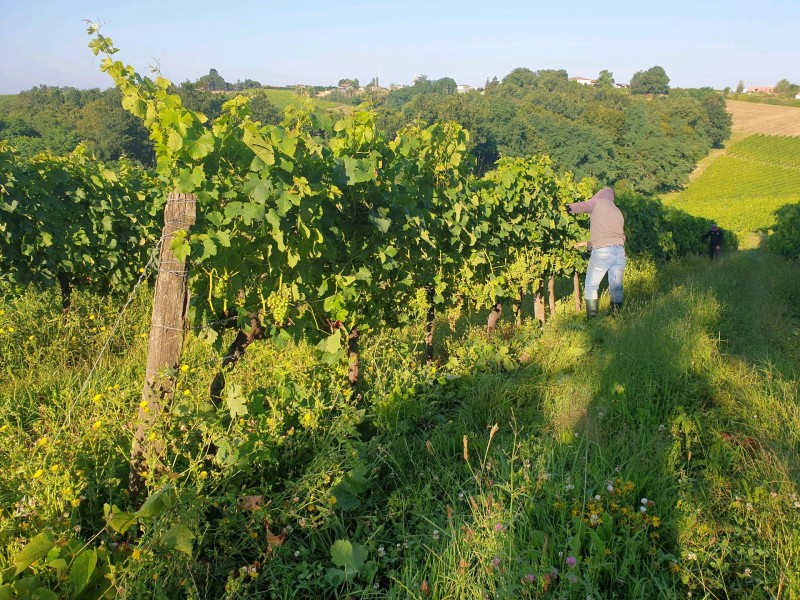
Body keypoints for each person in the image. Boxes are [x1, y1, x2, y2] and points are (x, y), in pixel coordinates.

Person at [567, 187, 626, 317]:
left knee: (591, 286)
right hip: (620, 251)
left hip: (603, 251)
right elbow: (608, 235)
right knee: (616, 287)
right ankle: (615, 316)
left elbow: (583, 205)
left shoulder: (598, 202)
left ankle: (592, 319)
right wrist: (587, 245)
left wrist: (567, 208)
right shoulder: (617, 211)